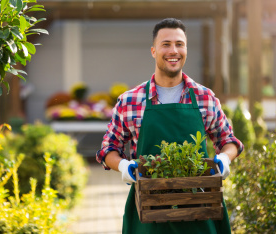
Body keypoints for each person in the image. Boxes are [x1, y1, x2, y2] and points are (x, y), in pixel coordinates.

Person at [96, 18, 244, 233]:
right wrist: (123, 166)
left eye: (179, 44)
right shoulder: (130, 101)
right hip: (147, 212)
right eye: (166, 44)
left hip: (199, 210)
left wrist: (224, 158)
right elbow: (108, 149)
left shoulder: (205, 97)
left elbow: (229, 141)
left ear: (186, 49)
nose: (173, 50)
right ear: (153, 51)